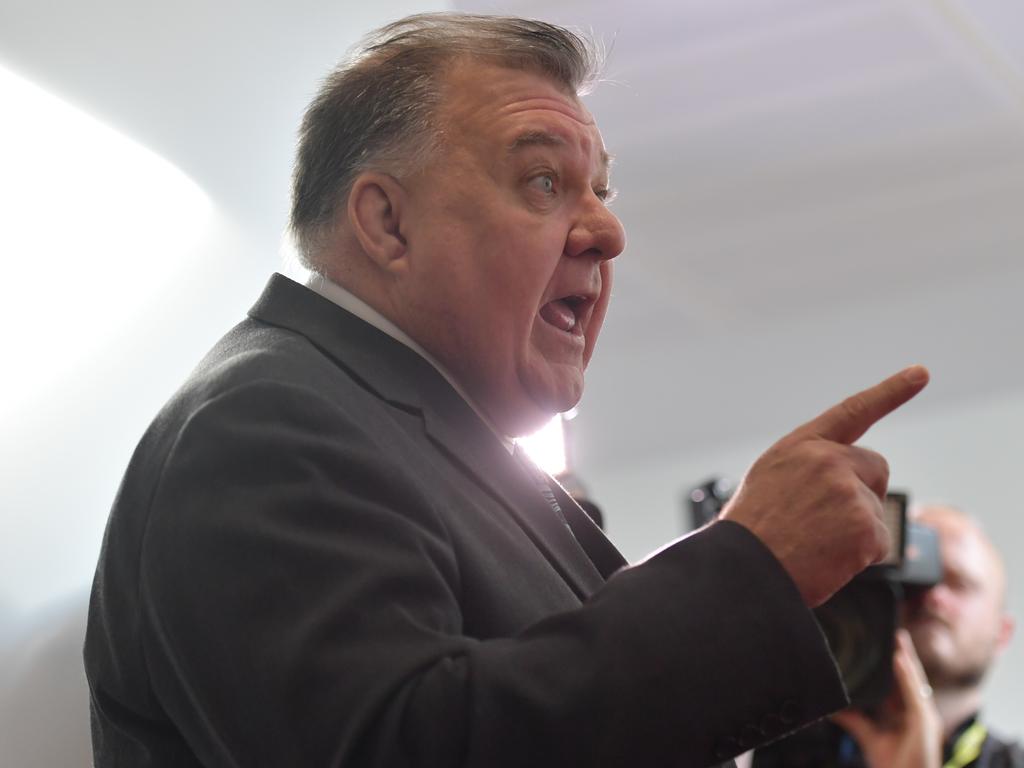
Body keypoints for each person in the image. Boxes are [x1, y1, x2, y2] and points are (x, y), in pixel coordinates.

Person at [83, 13, 930, 767]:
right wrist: (749, 568)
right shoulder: (264, 426)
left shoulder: (416, 440)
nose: (608, 232)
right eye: (544, 183)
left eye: (600, 189)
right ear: (386, 224)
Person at [831, 504, 1021, 767]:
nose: (931, 596)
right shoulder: (772, 748)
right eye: (912, 581)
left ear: (1002, 633)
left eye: (958, 582)